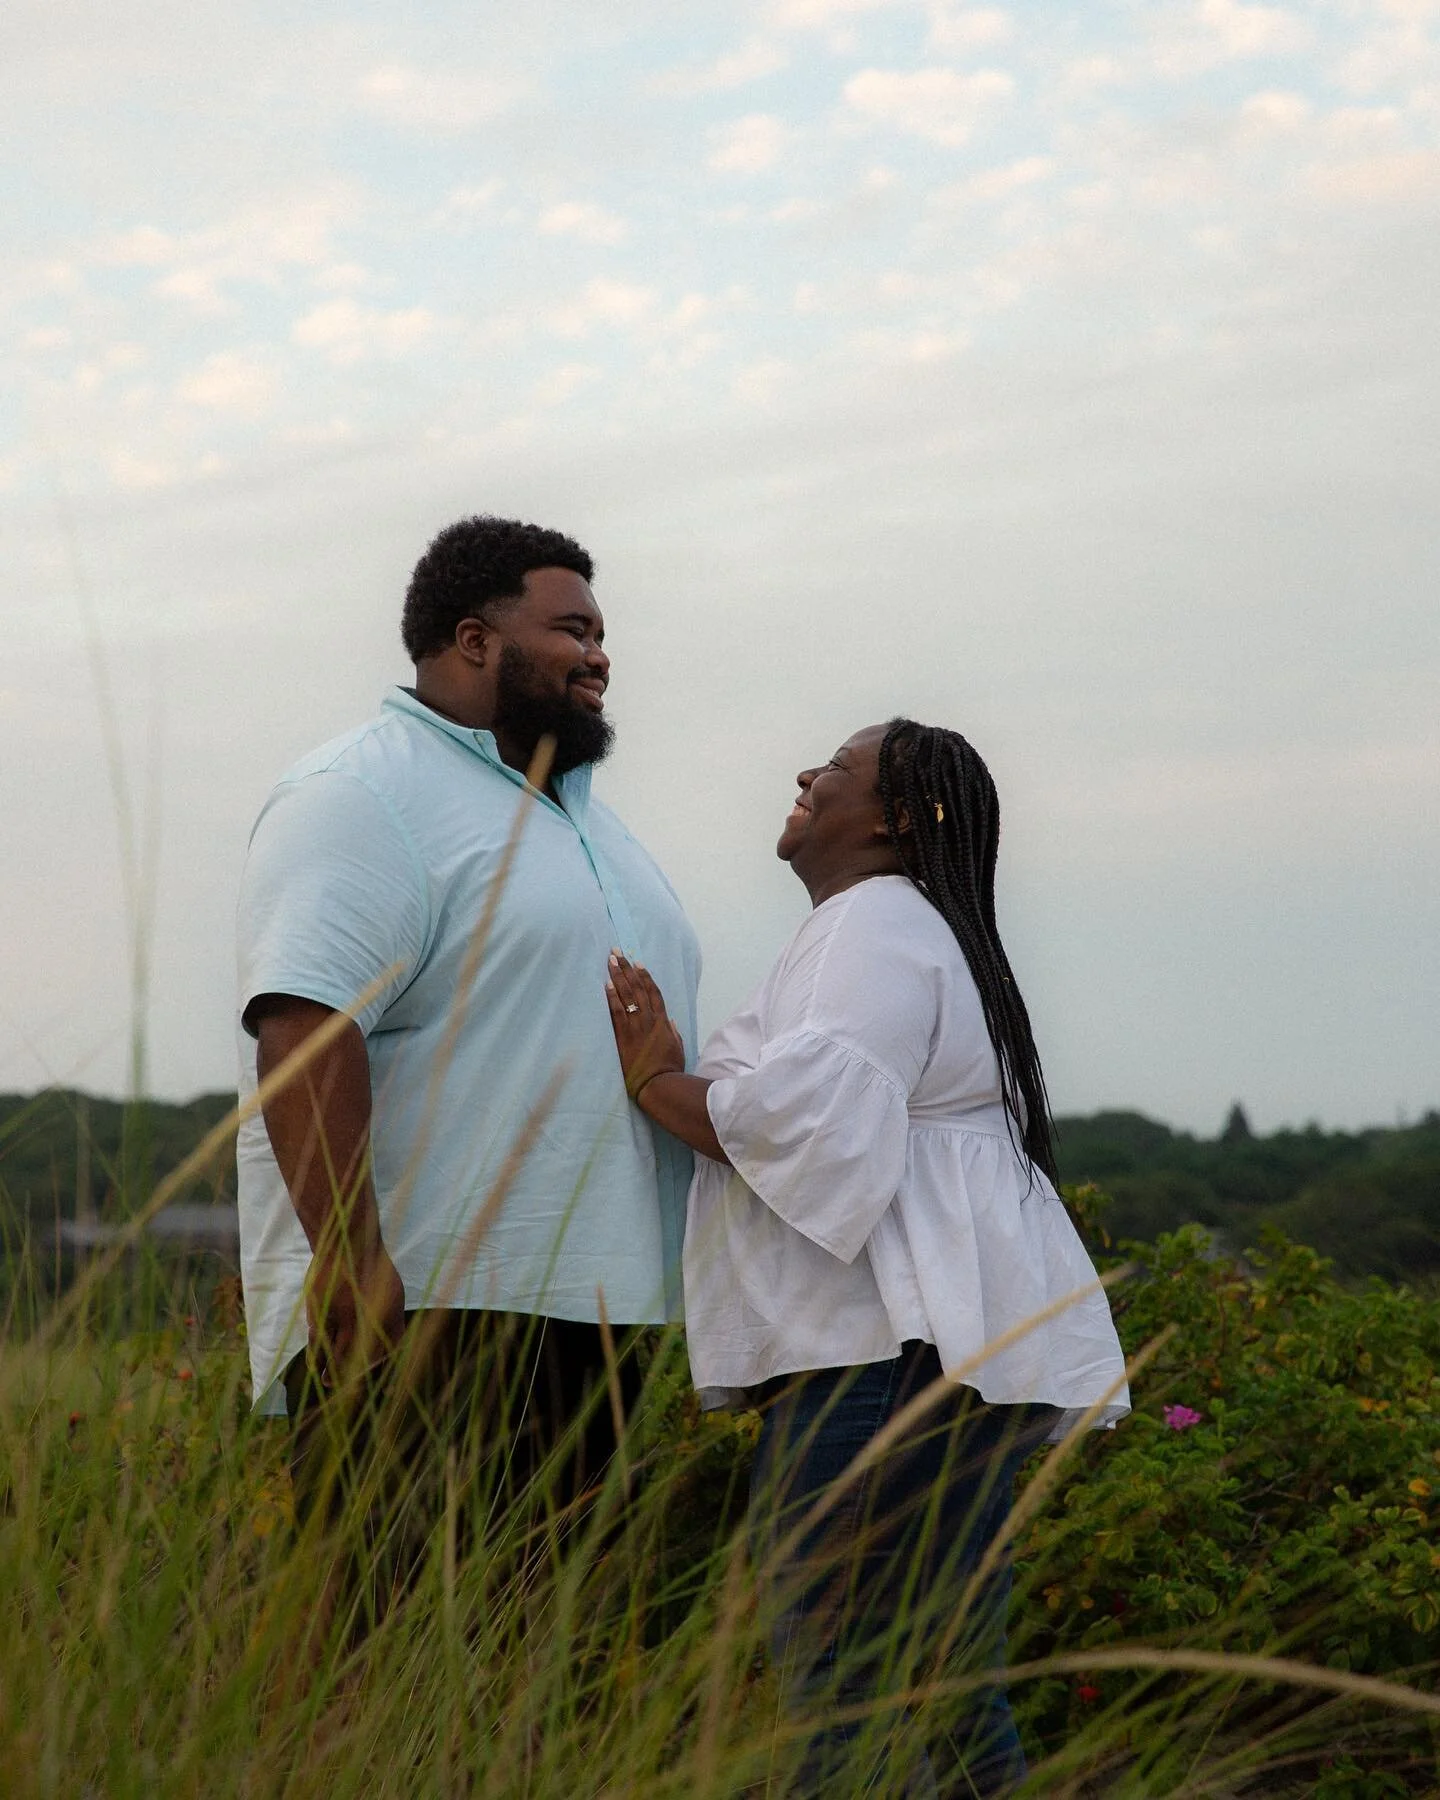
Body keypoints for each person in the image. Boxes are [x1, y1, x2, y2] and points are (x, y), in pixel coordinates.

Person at [606, 718, 1129, 1797]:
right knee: (937, 1687)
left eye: (835, 770)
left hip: (881, 1362)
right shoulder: (908, 928)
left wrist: (658, 1083)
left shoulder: (875, 924)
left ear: (893, 818)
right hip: (941, 1360)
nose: (805, 773)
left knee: (843, 1689)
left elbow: (818, 1126)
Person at [235, 514, 700, 1621]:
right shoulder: (364, 790)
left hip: (600, 1321)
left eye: (602, 632)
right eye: (570, 629)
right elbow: (305, 1029)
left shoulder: (585, 819)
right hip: (429, 1317)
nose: (599, 655)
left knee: (552, 1684)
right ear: (473, 640)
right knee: (393, 1670)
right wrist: (354, 1276)